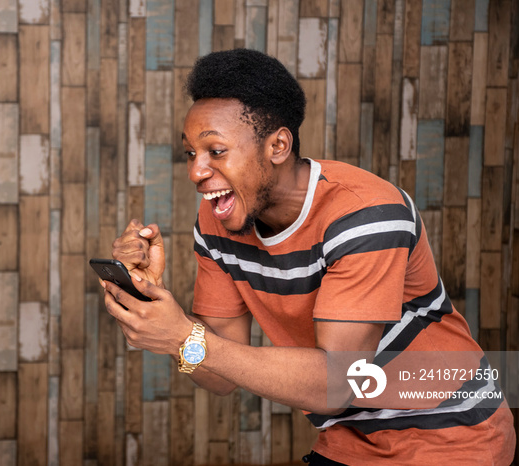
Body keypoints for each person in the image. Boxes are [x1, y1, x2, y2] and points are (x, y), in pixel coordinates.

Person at [101, 48, 516, 464]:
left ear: (278, 145)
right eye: (191, 153)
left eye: (216, 151)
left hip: (454, 437)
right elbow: (218, 371)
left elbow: (339, 385)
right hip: (349, 441)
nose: (196, 171)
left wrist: (183, 337)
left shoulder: (365, 215)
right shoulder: (216, 223)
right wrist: (154, 305)